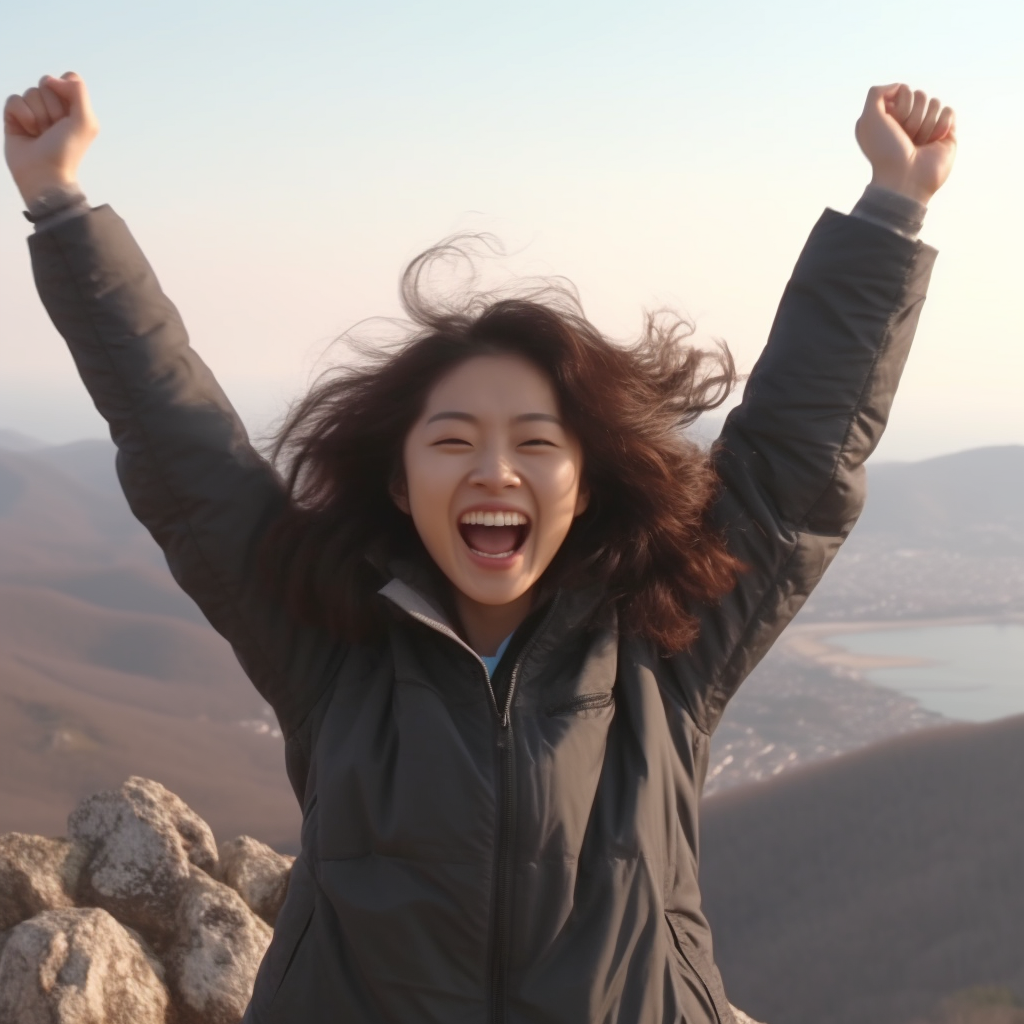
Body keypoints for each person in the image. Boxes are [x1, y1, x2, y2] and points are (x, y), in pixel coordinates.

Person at [4, 72, 956, 1024]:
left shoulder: (661, 654)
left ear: (585, 489)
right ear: (398, 481)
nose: (496, 470)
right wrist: (61, 202)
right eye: (453, 441)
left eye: (538, 444)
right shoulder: (330, 647)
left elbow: (794, 465)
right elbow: (185, 451)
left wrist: (889, 208)